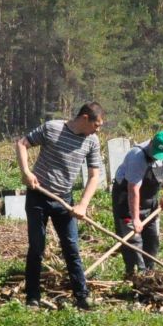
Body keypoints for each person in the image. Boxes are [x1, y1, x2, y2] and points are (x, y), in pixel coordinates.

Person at [17, 103, 104, 309]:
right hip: (39, 196)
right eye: (96, 124)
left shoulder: (92, 141)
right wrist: (26, 172)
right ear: (84, 118)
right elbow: (22, 144)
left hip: (64, 200)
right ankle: (32, 297)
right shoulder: (52, 128)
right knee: (37, 247)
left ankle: (81, 296)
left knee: (71, 247)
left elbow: (94, 175)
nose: (98, 129)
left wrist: (83, 204)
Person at [110, 129, 163, 277]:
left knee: (152, 238)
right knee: (132, 240)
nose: (156, 157)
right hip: (126, 199)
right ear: (150, 142)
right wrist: (135, 219)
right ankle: (134, 275)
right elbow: (133, 190)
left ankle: (149, 273)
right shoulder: (137, 156)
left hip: (150, 199)